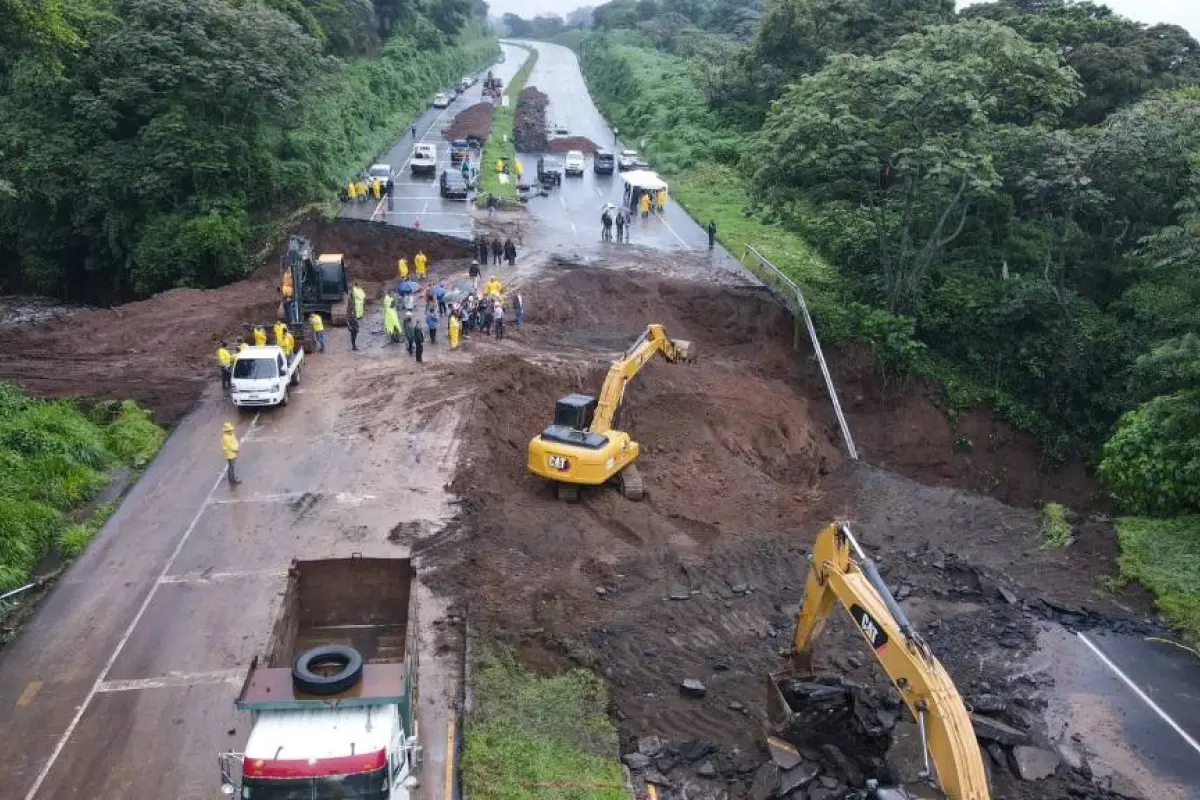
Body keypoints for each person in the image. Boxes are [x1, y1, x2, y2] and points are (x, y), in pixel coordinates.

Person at [222, 422, 241, 486]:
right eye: (229, 430)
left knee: (231, 466)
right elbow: (229, 446)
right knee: (231, 467)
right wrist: (236, 449)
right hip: (230, 454)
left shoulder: (231, 434)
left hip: (233, 453)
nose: (230, 431)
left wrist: (236, 446)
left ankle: (231, 478)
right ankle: (233, 479)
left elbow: (235, 441)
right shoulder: (225, 437)